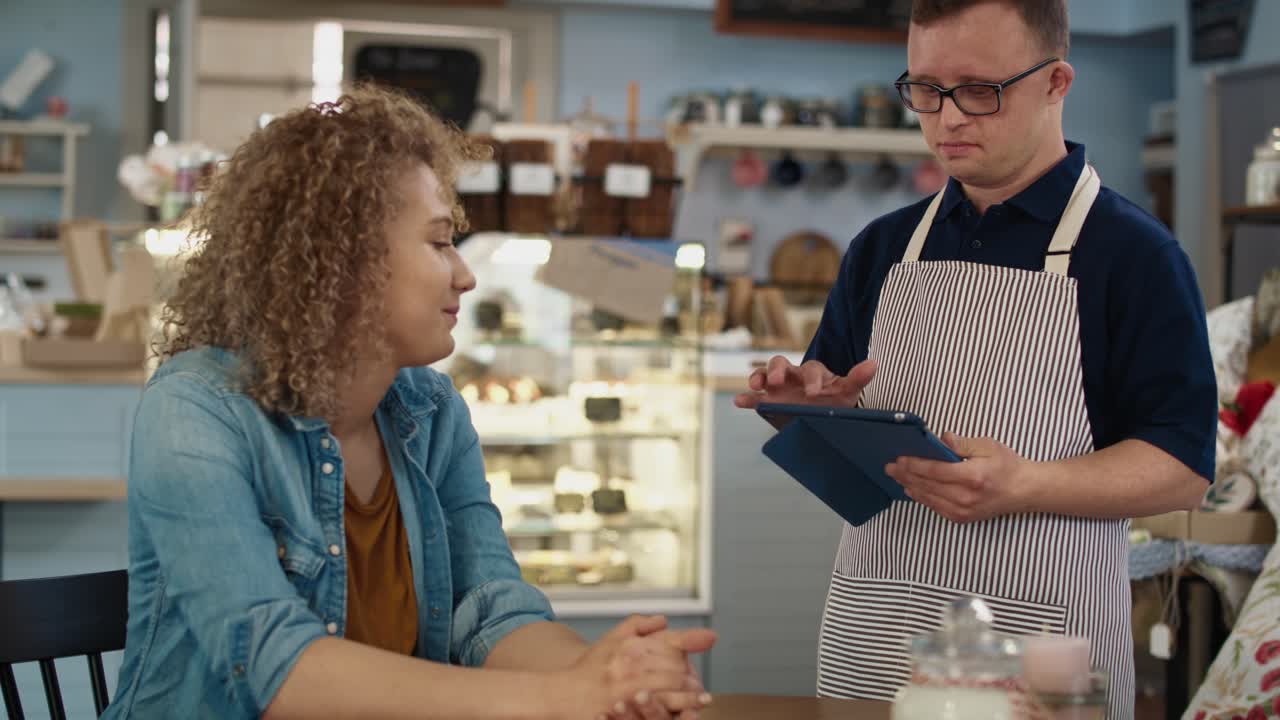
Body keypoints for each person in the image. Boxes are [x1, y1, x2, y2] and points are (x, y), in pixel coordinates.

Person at [104, 84, 716, 720]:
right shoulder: (195, 411)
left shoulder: (430, 411)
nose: (466, 274)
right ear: (345, 262)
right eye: (439, 241)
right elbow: (275, 669)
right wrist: (563, 694)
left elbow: (492, 610)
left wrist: (614, 675)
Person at [734, 1, 1214, 717]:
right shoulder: (883, 248)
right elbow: (835, 441)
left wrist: (1024, 484)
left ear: (1056, 83)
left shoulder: (1137, 257)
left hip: (1039, 642)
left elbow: (1181, 472)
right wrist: (808, 412)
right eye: (925, 90)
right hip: (876, 632)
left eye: (979, 91)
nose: (948, 119)